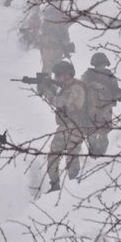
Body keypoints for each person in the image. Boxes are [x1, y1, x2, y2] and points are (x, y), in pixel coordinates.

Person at [37, 61, 86, 192]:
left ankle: (72, 188)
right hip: (66, 127)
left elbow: (59, 102)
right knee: (57, 156)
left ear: (66, 75)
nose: (56, 78)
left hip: (73, 127)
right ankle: (56, 185)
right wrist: (48, 87)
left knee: (69, 157)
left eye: (58, 76)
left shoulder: (76, 88)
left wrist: (47, 91)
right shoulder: (67, 88)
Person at [81, 52, 121, 156]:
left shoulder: (110, 77)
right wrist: (93, 85)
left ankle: (101, 156)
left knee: (103, 134)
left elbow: (115, 93)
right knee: (91, 134)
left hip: (105, 110)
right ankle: (93, 155)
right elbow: (82, 87)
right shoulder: (88, 75)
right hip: (90, 109)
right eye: (98, 65)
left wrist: (120, 96)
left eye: (102, 64)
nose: (100, 67)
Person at [38, 6, 74, 74]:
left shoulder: (61, 24)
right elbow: (42, 36)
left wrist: (64, 46)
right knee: (48, 68)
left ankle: (53, 82)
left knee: (54, 68)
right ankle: (45, 82)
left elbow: (66, 39)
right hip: (49, 49)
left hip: (56, 50)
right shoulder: (47, 23)